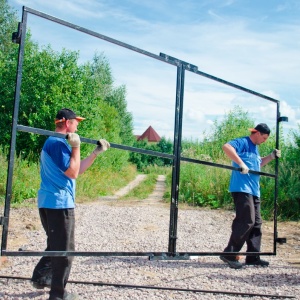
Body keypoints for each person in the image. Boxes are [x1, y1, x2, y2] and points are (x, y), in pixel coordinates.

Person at [31, 108, 110, 300]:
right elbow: (72, 173)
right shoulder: (57, 143)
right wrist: (76, 147)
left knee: (56, 244)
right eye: (76, 122)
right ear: (67, 123)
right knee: (65, 250)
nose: (77, 126)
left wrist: (94, 153)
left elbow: (77, 169)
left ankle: (41, 278)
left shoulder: (58, 143)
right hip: (58, 204)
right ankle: (58, 295)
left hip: (50, 202)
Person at [219, 123, 281, 269]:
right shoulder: (243, 142)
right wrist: (240, 163)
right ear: (258, 133)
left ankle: (253, 257)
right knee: (247, 220)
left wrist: (271, 157)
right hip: (241, 188)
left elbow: (258, 165)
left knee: (257, 223)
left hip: (254, 190)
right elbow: (226, 147)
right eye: (264, 138)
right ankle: (229, 253)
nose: (264, 140)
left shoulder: (255, 149)